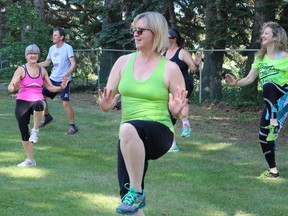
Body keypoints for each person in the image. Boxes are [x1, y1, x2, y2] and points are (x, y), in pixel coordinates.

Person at [97, 12, 188, 215]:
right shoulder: (123, 62)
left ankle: (137, 191)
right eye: (134, 30)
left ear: (155, 33)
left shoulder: (170, 68)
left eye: (140, 30)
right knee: (127, 205)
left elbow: (183, 110)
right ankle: (134, 195)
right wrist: (106, 104)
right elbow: (107, 104)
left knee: (128, 128)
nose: (135, 34)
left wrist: (178, 111)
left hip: (159, 132)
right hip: (129, 139)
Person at [225, 21, 288, 179]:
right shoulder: (260, 58)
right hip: (271, 102)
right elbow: (249, 78)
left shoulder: (286, 57)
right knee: (262, 136)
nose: (263, 36)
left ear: (275, 36)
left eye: (266, 33)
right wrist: (234, 83)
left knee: (268, 85)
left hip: (284, 96)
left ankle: (274, 120)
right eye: (263, 33)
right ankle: (273, 171)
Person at [7, 44, 68, 167]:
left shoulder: (42, 70)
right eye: (30, 53)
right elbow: (10, 86)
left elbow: (50, 87)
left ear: (38, 55)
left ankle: (35, 130)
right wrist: (14, 87)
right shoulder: (21, 69)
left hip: (37, 99)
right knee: (24, 134)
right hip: (22, 102)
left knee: (40, 104)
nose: (33, 55)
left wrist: (61, 87)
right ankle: (30, 160)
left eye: (35, 53)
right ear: (26, 56)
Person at [163, 28, 201, 152]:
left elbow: (193, 68)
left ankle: (185, 123)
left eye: (166, 37)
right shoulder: (163, 53)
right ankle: (172, 144)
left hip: (183, 84)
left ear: (173, 39)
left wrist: (196, 63)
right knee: (168, 115)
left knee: (173, 111)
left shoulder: (182, 52)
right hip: (168, 87)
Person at [38, 28, 78, 134]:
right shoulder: (52, 49)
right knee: (41, 96)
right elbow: (47, 62)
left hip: (64, 80)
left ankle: (73, 127)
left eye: (55, 35)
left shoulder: (67, 48)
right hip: (52, 79)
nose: (53, 37)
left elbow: (73, 63)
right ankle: (47, 117)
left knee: (65, 103)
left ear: (61, 37)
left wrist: (67, 74)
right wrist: (34, 65)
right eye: (53, 35)